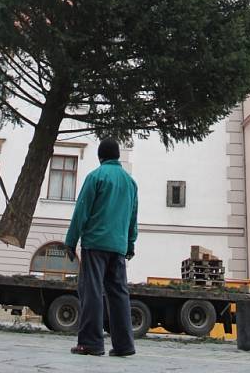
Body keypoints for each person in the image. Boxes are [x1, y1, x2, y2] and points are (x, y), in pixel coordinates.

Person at [65, 137, 138, 358]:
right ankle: (125, 345)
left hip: (95, 244)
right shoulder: (130, 182)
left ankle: (91, 343)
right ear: (117, 156)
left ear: (100, 157)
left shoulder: (95, 176)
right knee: (119, 294)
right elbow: (133, 217)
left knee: (92, 291)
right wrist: (130, 243)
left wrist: (71, 241)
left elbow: (82, 211)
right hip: (118, 246)